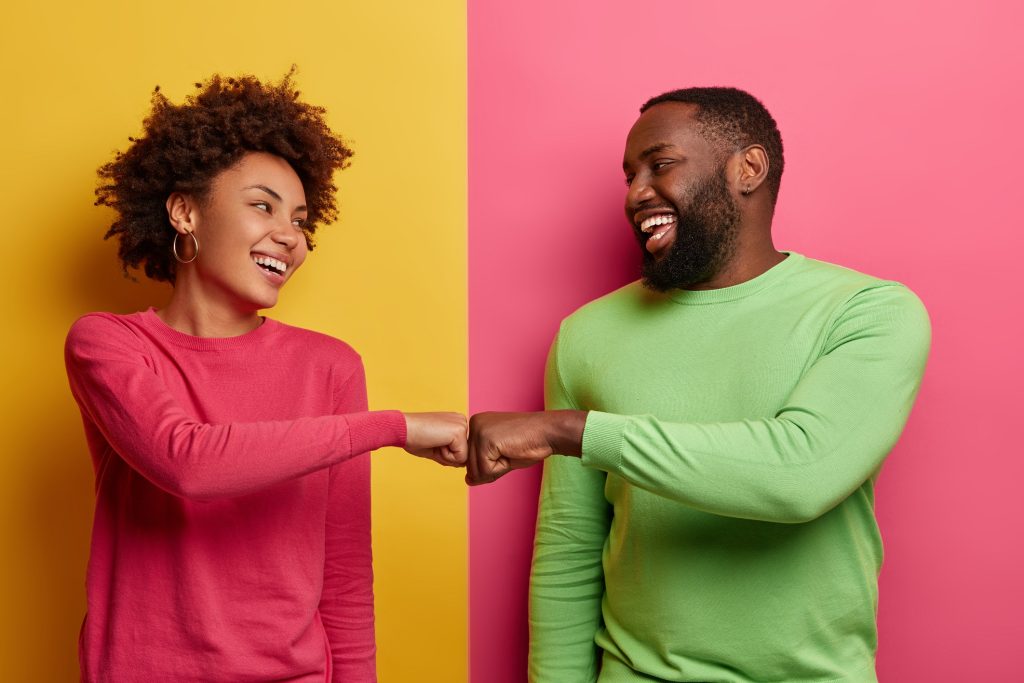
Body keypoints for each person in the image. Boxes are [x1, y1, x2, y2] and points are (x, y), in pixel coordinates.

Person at [466, 88, 931, 682]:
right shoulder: (587, 334)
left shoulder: (867, 311)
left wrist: (573, 431)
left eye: (660, 165)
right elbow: (570, 548)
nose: (636, 193)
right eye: (630, 175)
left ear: (749, 168)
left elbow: (801, 474)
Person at [65, 71, 467, 682]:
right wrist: (394, 427)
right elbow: (187, 463)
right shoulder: (110, 345)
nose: (291, 236)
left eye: (302, 220)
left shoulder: (330, 366)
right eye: (263, 205)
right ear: (184, 212)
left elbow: (345, 571)